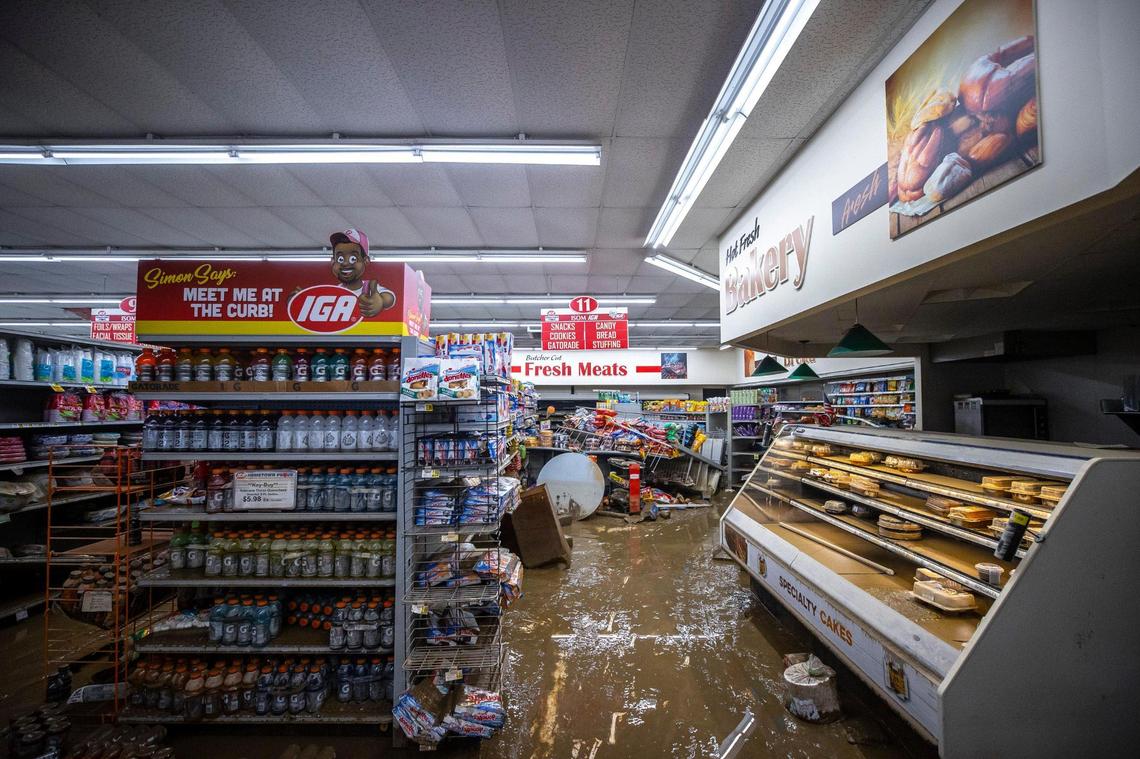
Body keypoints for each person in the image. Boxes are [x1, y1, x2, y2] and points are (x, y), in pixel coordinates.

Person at [328, 228, 395, 318]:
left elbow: (389, 297)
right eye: (340, 259)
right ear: (333, 261)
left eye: (353, 259)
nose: (345, 263)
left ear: (366, 261)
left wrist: (380, 302)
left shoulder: (368, 288)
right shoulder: (332, 292)